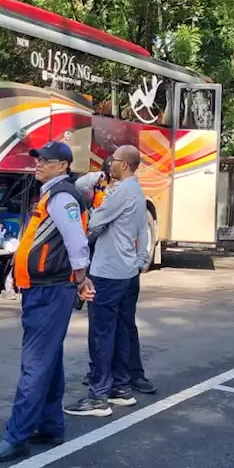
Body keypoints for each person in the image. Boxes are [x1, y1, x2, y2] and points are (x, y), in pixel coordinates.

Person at [0, 141, 94, 463]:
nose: (38, 164)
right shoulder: (55, 195)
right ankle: (50, 425)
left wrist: (81, 277)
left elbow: (76, 241)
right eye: (38, 160)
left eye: (46, 161)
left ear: (63, 165)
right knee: (48, 358)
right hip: (45, 288)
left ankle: (17, 436)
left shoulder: (61, 198)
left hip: (49, 289)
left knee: (35, 363)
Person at [66, 145, 154, 417]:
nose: (109, 165)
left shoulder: (122, 192)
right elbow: (141, 232)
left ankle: (98, 398)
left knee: (101, 334)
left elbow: (94, 221)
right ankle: (120, 388)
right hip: (126, 271)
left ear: (125, 165)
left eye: (113, 161)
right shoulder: (137, 193)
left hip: (107, 271)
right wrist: (139, 262)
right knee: (119, 330)